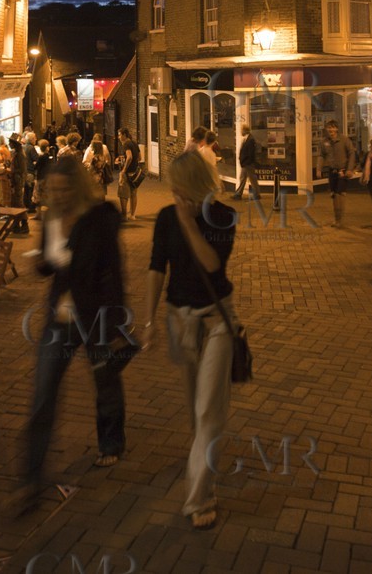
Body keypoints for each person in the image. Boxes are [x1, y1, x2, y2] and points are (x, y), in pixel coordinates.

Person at [14, 154, 129, 512]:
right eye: (53, 190)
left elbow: (114, 272)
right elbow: (50, 267)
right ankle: (31, 477)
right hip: (59, 318)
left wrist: (116, 324)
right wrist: (40, 262)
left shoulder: (97, 220)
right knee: (43, 392)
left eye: (64, 189)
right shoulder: (50, 218)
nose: (59, 196)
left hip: (95, 316)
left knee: (105, 380)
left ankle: (111, 441)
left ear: (76, 187)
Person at [142, 151, 239, 530]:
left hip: (216, 321)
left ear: (198, 186)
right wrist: (148, 320)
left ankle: (200, 498)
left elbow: (212, 264)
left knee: (208, 410)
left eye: (182, 189)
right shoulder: (166, 217)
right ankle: (203, 459)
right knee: (194, 408)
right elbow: (156, 267)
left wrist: (187, 221)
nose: (177, 196)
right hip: (179, 319)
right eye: (174, 190)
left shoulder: (224, 217)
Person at [319, 119, 355, 228]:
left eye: (333, 127)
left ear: (337, 128)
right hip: (332, 171)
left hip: (342, 171)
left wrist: (349, 169)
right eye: (329, 127)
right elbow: (322, 155)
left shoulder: (344, 140)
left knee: (340, 194)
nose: (331, 130)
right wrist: (319, 169)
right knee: (334, 195)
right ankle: (336, 219)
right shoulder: (324, 142)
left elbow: (351, 153)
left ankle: (340, 219)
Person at [115, 127, 142, 220]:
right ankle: (132, 215)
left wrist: (124, 170)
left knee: (123, 195)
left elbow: (129, 157)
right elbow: (139, 157)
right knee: (133, 193)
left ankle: (124, 216)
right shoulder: (134, 143)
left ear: (124, 135)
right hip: (134, 173)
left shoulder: (126, 144)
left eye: (119, 135)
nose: (118, 137)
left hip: (127, 173)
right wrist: (122, 159)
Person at [83, 133, 112, 199]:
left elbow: (85, 161)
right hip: (101, 175)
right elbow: (108, 160)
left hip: (94, 175)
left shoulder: (92, 152)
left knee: (94, 193)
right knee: (101, 193)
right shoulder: (103, 148)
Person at [234, 125, 256, 201]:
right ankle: (238, 194)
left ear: (244, 130)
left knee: (251, 179)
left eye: (241, 130)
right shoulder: (246, 139)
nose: (240, 132)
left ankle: (239, 194)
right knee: (244, 178)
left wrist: (246, 162)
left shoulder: (250, 140)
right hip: (246, 163)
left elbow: (250, 153)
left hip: (247, 163)